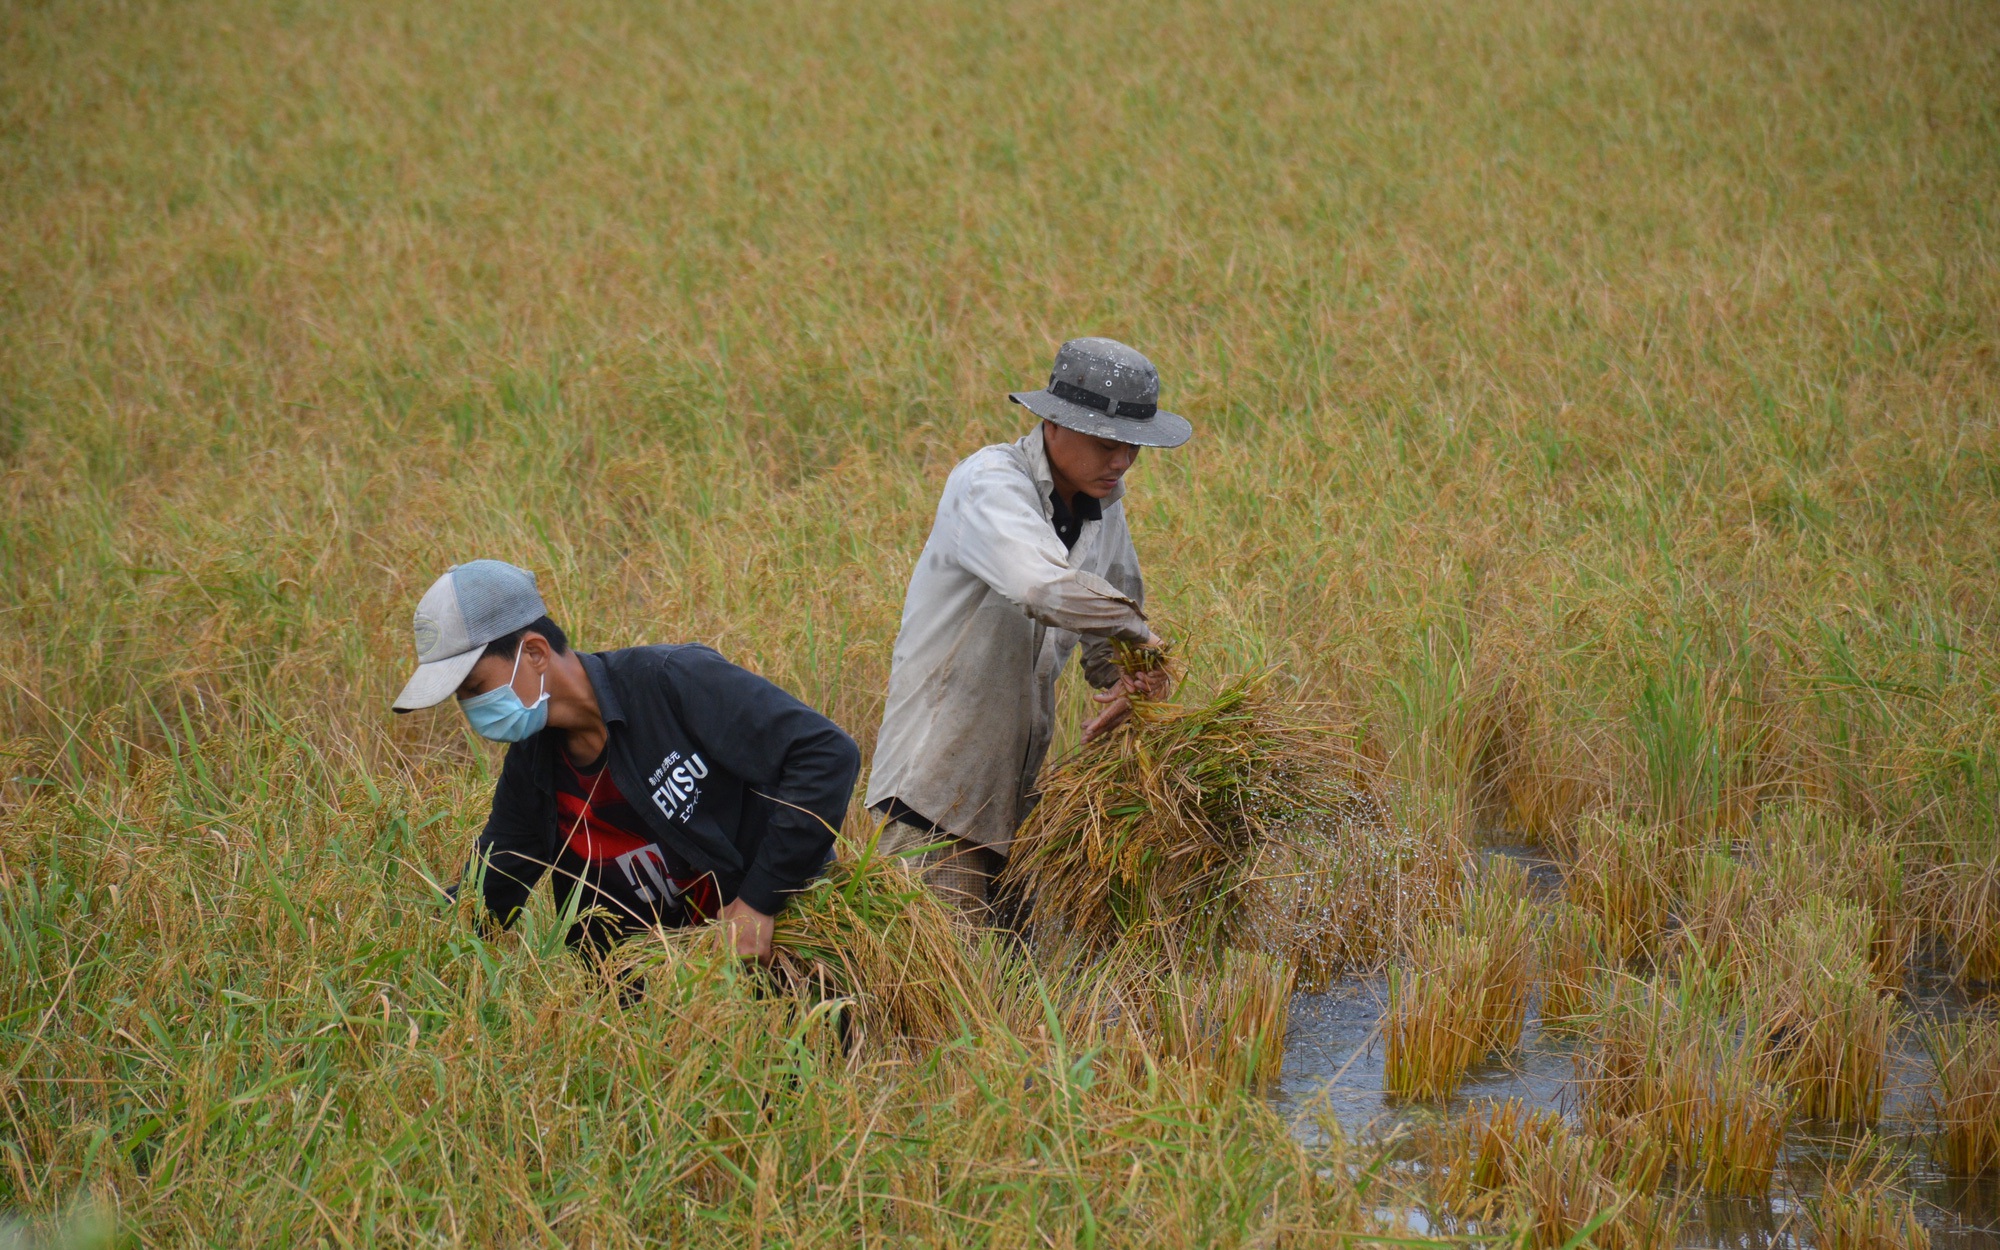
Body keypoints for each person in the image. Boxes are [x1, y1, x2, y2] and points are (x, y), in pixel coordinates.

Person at [865, 338, 1193, 918]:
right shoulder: (989, 484)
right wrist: (1142, 635)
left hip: (1016, 811)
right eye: (1105, 445)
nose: (1120, 463)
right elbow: (1042, 588)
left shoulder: (1104, 506)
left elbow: (1111, 640)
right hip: (933, 800)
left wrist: (1135, 679)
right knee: (943, 1001)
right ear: (1051, 423)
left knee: (1014, 1002)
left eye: (1132, 449)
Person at [392, 559, 859, 963]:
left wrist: (759, 903)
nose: (471, 709)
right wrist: (395, 950)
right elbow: (488, 895)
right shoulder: (532, 770)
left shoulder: (669, 682)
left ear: (534, 652)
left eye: (474, 688)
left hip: (785, 950)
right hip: (664, 1010)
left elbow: (824, 755)